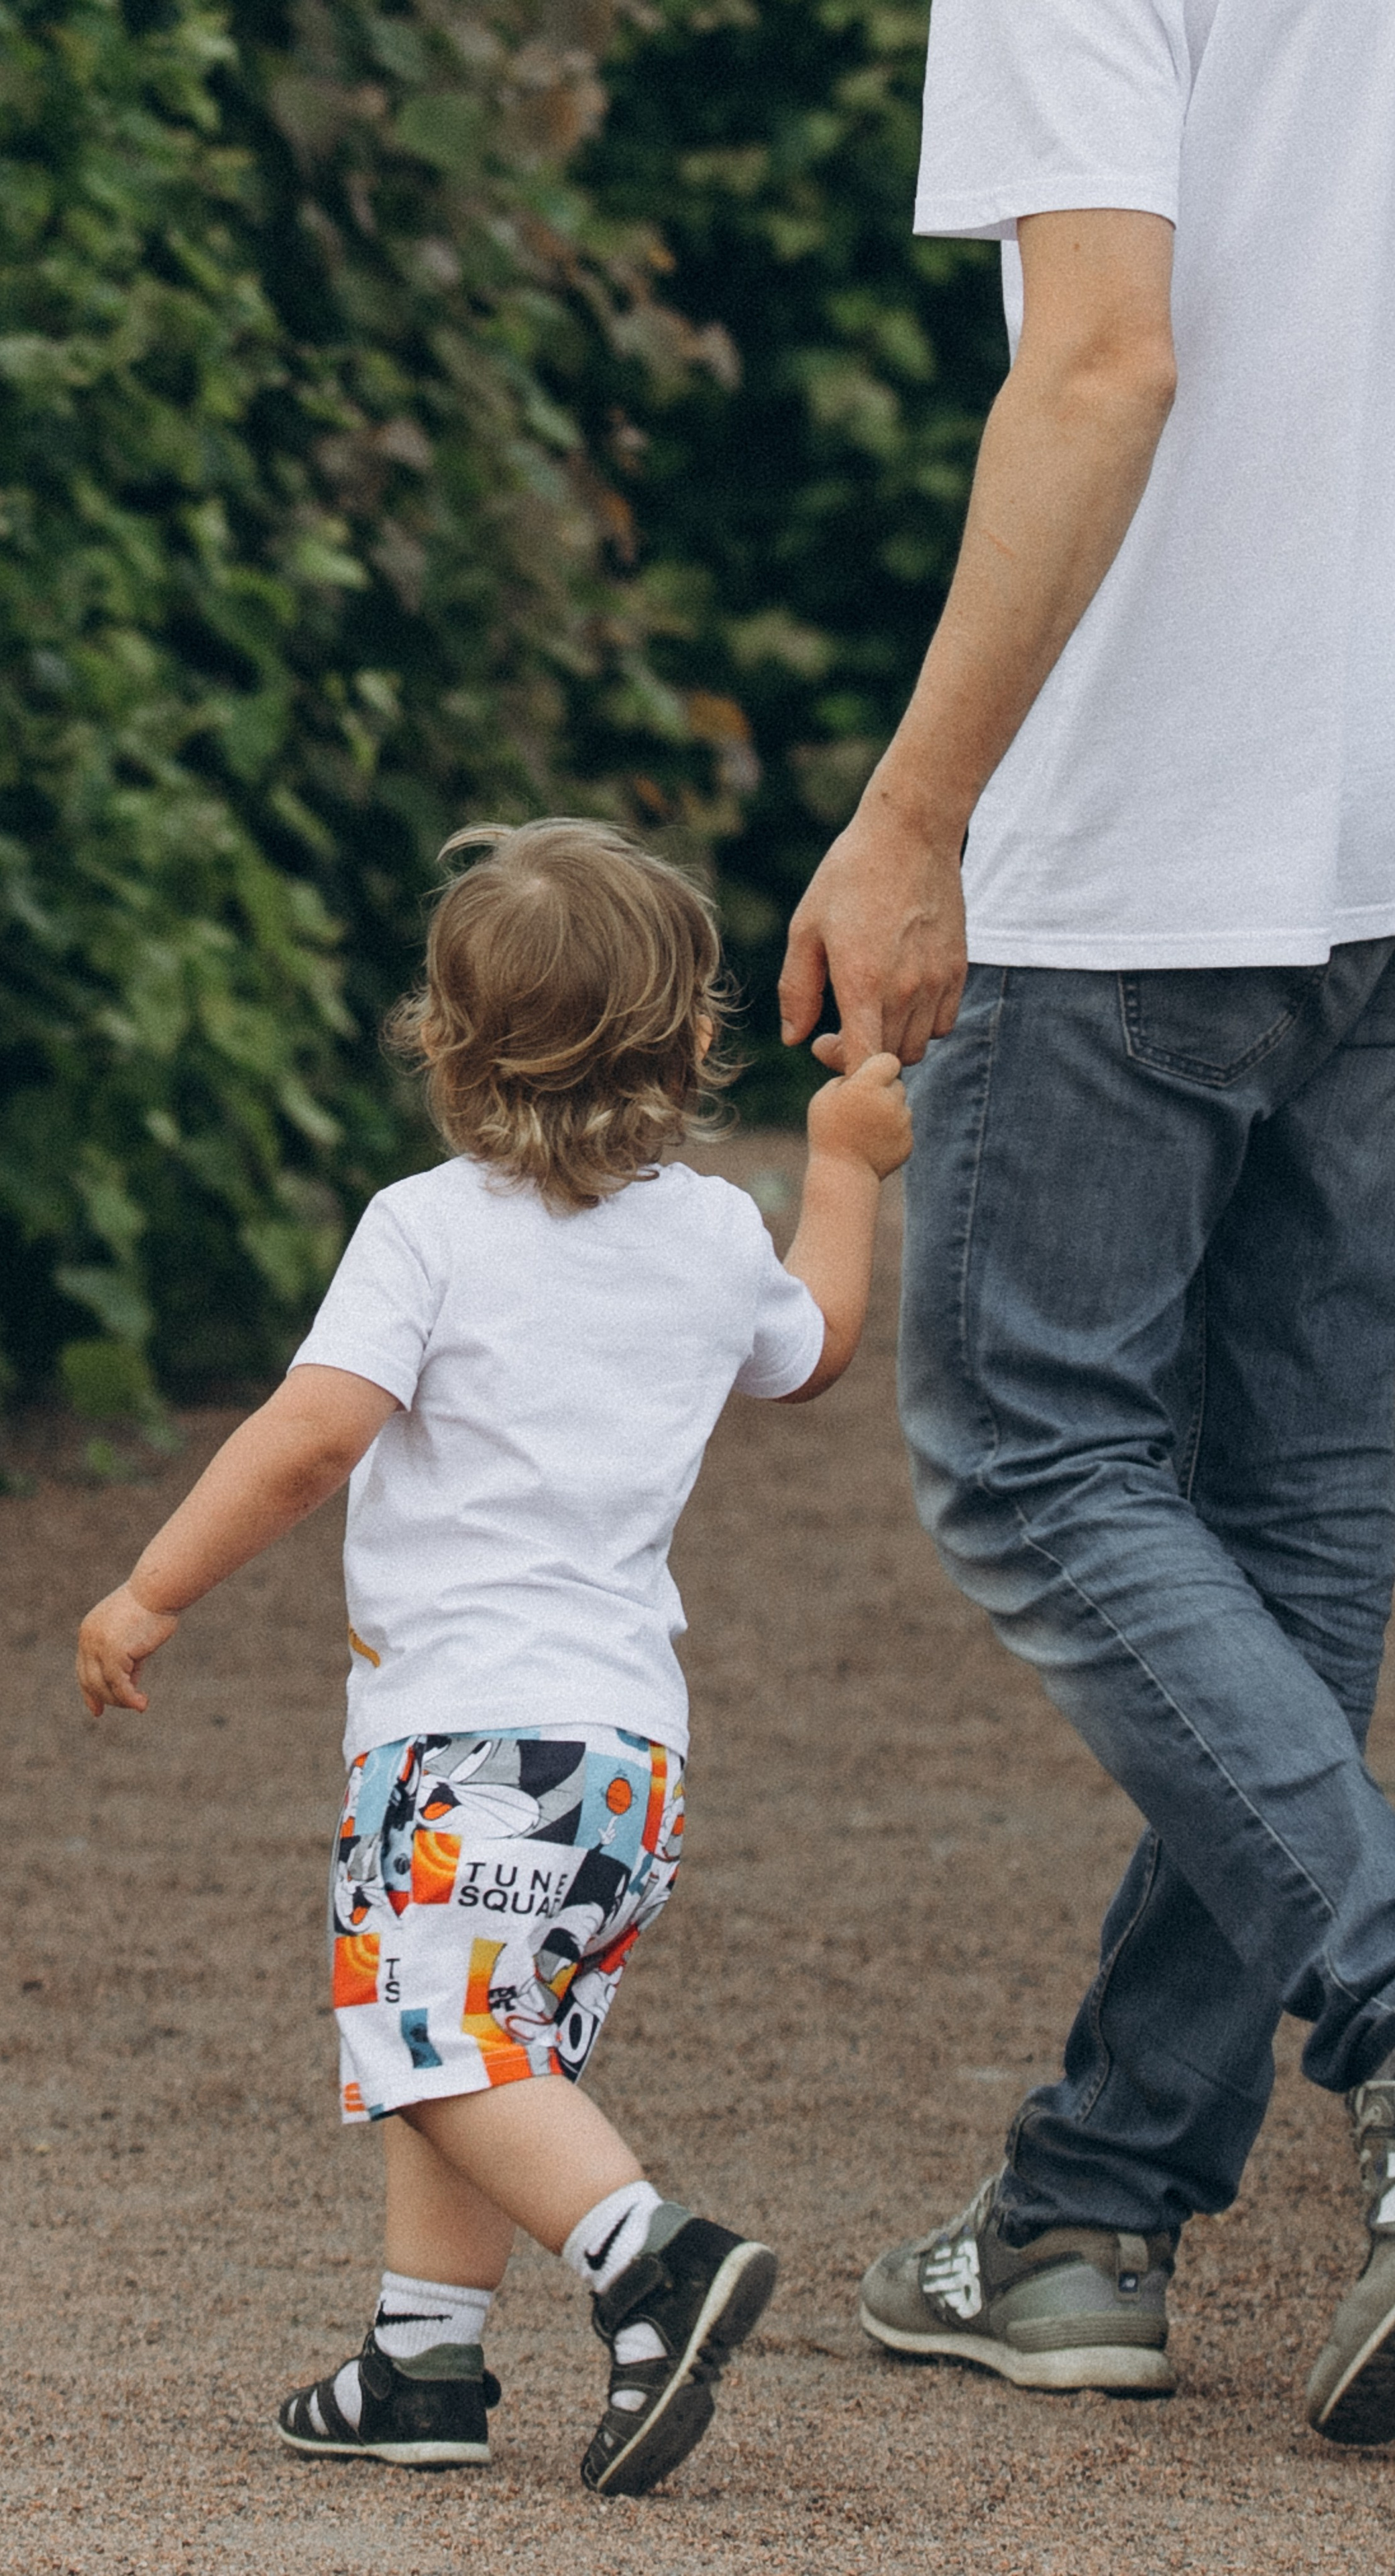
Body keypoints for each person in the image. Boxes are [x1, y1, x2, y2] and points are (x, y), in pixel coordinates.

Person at [777, 0, 1395, 2443]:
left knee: (1038, 1462)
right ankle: (1088, 2213)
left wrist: (915, 815)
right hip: (1377, 855)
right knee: (1293, 1542)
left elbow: (1104, 364)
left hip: (1147, 839)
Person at [77, 819, 911, 2493]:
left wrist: (151, 1588)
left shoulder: (425, 1228)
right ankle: (419, 2370)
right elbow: (811, 1349)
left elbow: (314, 1436)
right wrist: (842, 1168)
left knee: (425, 2034)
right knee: (475, 2049)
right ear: (689, 1041)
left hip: (460, 1744)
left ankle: (646, 2262)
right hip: (623, 1766)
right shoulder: (701, 1238)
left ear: (443, 1046)